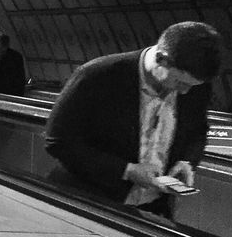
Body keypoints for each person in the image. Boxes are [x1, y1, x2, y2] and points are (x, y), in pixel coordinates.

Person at [45, 21, 222, 220]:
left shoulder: (196, 88)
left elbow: (198, 131)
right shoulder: (98, 76)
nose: (184, 91)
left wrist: (187, 162)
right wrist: (126, 170)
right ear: (161, 58)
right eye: (179, 82)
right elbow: (57, 141)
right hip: (88, 204)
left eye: (192, 85)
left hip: (152, 210)